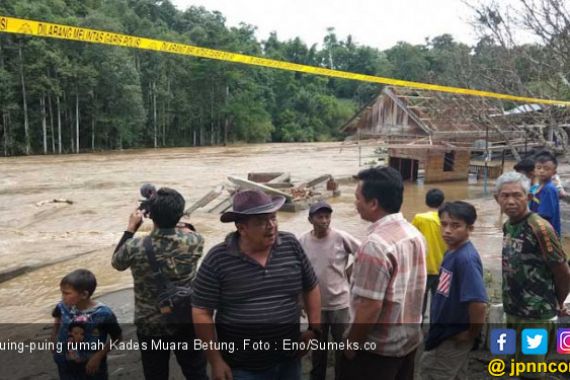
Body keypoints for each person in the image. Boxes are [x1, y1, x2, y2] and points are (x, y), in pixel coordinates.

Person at [191, 189, 321, 380]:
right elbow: (201, 312)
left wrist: (314, 329)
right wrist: (216, 361)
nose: (271, 226)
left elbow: (311, 287)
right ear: (242, 228)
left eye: (273, 218)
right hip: (242, 368)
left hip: (289, 361)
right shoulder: (217, 259)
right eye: (261, 222)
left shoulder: (290, 245)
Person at [339, 166, 426, 380]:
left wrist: (351, 344)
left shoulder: (375, 245)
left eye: (357, 198)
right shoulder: (413, 233)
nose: (355, 203)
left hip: (376, 351)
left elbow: (370, 306)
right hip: (408, 342)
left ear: (373, 203)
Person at [111, 187, 207, 380]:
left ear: (150, 216)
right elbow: (185, 233)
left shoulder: (134, 246)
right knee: (195, 371)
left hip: (150, 324)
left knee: (155, 374)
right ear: (180, 214)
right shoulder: (195, 241)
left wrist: (131, 228)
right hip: (184, 319)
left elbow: (117, 263)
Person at [495, 171, 570, 379]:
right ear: (497, 199)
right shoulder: (508, 226)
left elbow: (562, 271)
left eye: (517, 195)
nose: (511, 201)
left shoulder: (540, 228)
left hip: (536, 315)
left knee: (532, 372)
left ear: (528, 198)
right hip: (512, 310)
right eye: (505, 195)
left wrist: (558, 301)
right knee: (513, 365)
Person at [420, 201, 488, 379]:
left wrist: (471, 334)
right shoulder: (451, 252)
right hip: (444, 331)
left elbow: (479, 304)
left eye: (455, 225)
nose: (447, 230)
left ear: (470, 228)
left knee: (432, 372)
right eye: (443, 224)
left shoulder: (465, 259)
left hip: (452, 335)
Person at [298, 201, 361, 380]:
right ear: (310, 219)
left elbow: (364, 252)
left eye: (327, 216)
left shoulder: (341, 237)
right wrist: (299, 300)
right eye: (320, 217)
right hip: (316, 307)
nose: (325, 220)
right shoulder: (302, 241)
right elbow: (297, 270)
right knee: (318, 349)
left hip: (340, 303)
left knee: (342, 347)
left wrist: (350, 271)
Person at [52, 269, 122, 380]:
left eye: (67, 293)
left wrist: (98, 356)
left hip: (91, 365)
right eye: (62, 292)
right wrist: (53, 340)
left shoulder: (103, 314)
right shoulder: (62, 307)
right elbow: (57, 320)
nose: (62, 297)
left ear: (84, 294)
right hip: (65, 363)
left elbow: (117, 337)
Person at [411, 188, 447, 318]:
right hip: (443, 269)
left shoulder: (419, 218)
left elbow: (411, 240)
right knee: (439, 303)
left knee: (419, 303)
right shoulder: (447, 221)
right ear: (443, 202)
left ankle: (418, 331)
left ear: (426, 202)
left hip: (423, 269)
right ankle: (435, 332)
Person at [529, 151, 562, 235]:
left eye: (546, 169)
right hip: (538, 231)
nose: (542, 171)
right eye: (539, 168)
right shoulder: (536, 188)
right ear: (534, 170)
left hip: (546, 235)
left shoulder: (548, 189)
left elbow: (544, 215)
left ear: (554, 172)